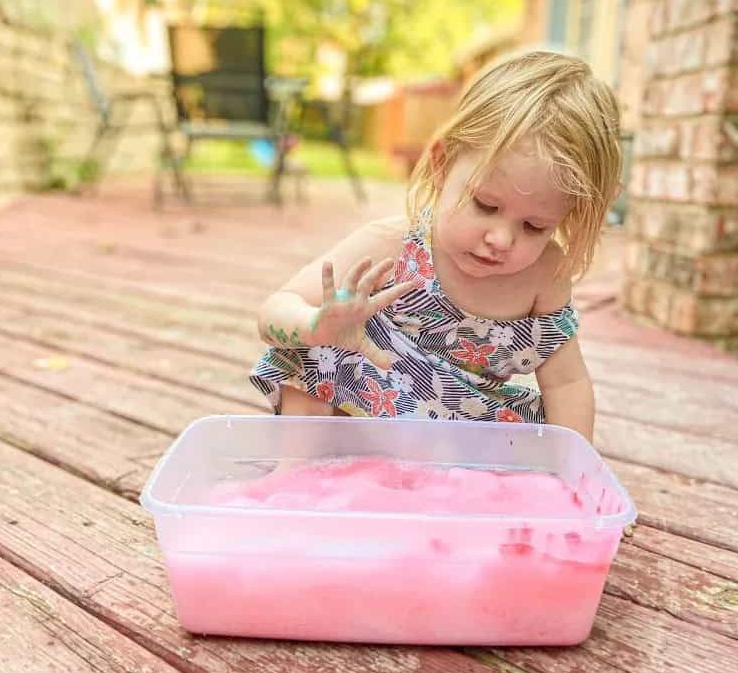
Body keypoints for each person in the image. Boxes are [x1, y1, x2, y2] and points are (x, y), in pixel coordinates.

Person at [250, 50, 622, 444]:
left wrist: (573, 467)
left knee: (539, 428)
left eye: (535, 226)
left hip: (460, 429)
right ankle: (294, 479)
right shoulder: (395, 245)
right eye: (486, 205)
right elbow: (274, 311)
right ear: (443, 165)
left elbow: (567, 383)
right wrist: (315, 325)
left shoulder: (545, 275)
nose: (501, 238)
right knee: (319, 348)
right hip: (363, 421)